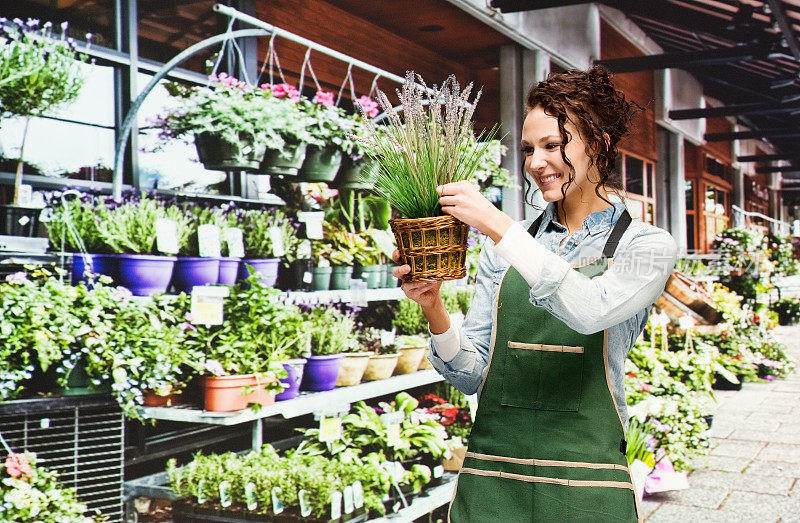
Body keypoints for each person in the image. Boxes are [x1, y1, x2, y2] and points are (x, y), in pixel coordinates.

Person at [392, 66, 677, 522]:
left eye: (552, 145)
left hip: (587, 485)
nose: (534, 163)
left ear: (598, 144)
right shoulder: (503, 248)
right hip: (491, 481)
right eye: (528, 149)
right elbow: (472, 376)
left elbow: (590, 309)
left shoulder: (645, 247)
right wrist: (434, 308)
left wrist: (499, 225)